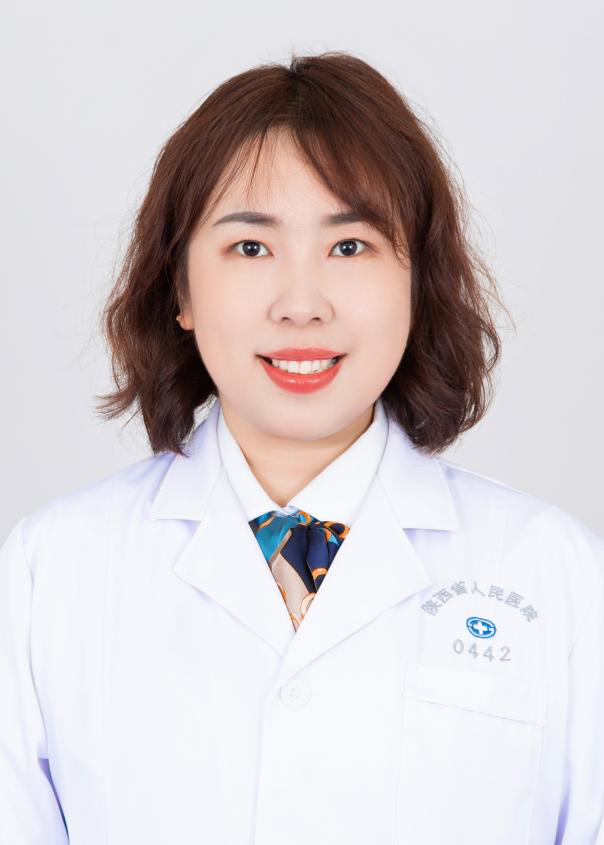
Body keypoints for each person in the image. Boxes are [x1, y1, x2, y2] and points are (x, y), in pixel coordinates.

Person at [1, 49, 602, 845]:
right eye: (251, 248)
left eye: (350, 246)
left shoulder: (556, 574)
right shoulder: (51, 572)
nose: (301, 303)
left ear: (416, 281)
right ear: (180, 287)